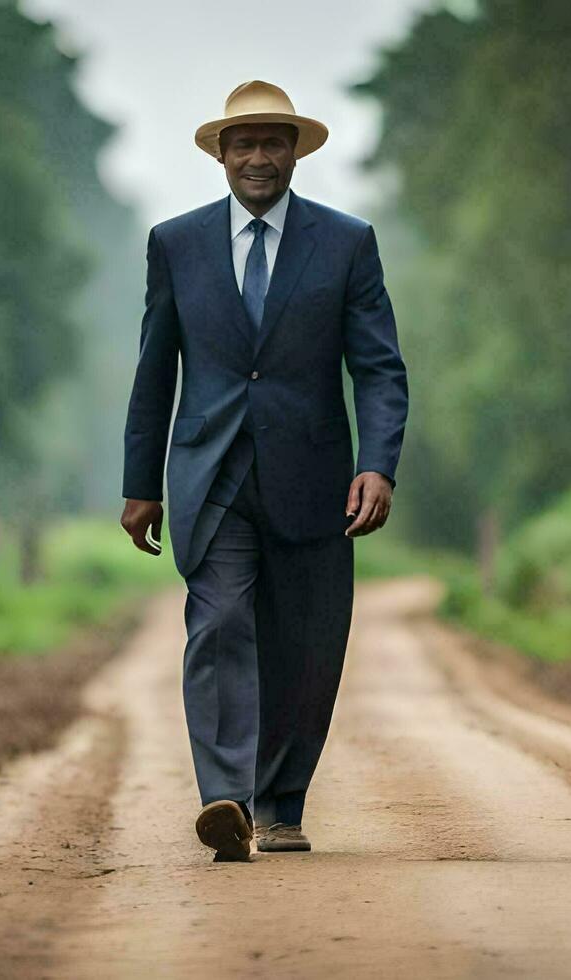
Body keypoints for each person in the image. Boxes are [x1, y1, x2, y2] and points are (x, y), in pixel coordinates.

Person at [119, 79, 409, 862]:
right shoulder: (175, 244)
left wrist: (378, 464)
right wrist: (139, 483)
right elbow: (155, 371)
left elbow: (379, 369)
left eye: (271, 143)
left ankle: (282, 805)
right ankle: (227, 798)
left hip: (317, 480)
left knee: (305, 648)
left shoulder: (346, 243)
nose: (256, 157)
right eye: (241, 144)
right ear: (220, 155)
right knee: (216, 624)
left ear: (294, 153)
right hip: (211, 477)